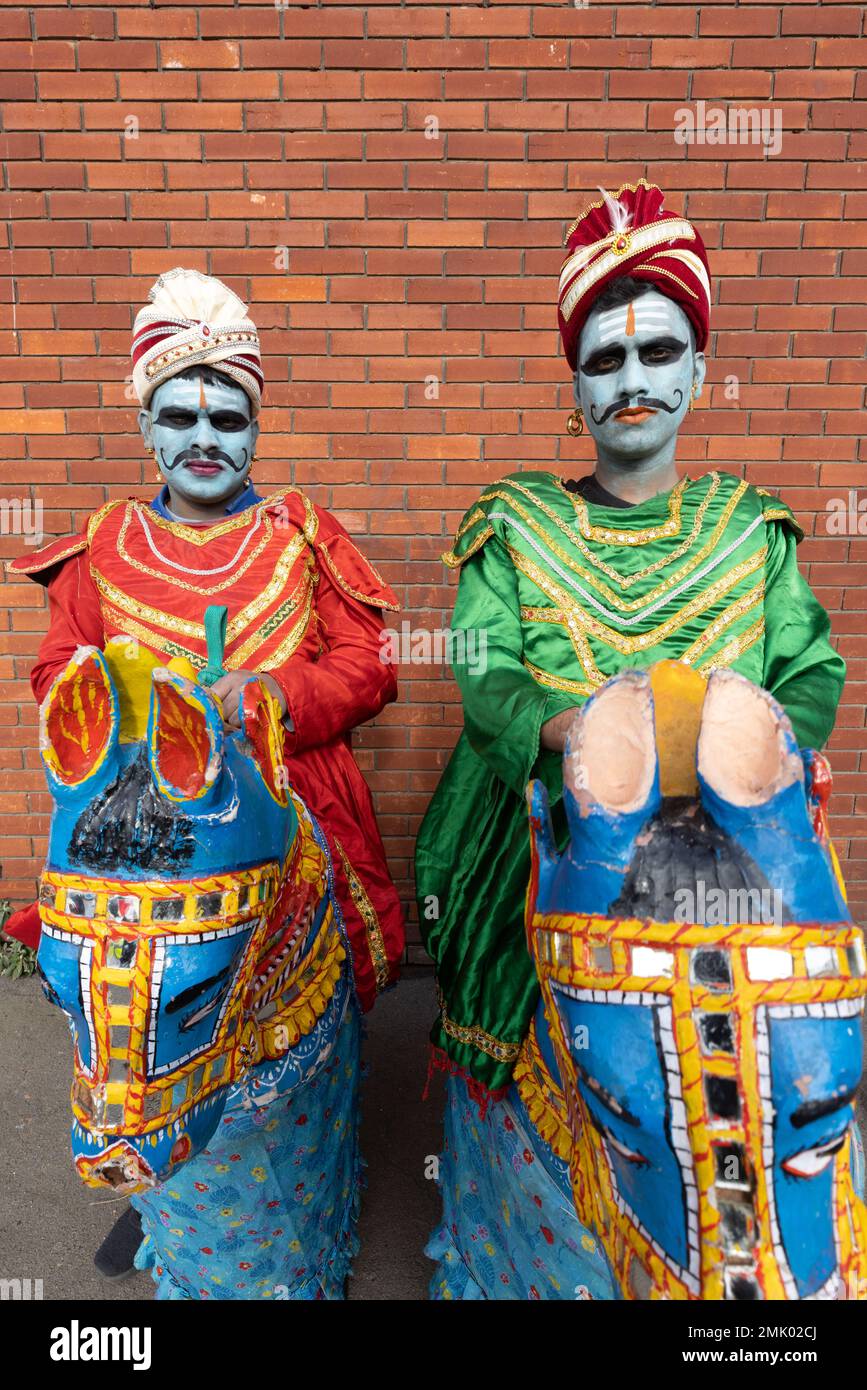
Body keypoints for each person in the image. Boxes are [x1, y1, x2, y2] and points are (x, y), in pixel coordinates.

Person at [7, 267, 405, 1278]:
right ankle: (159, 1191)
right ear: (148, 427)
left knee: (299, 1029)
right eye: (179, 414)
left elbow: (368, 669)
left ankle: (313, 1183)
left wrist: (269, 699)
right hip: (145, 848)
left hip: (289, 815)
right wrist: (136, 696)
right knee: (145, 1019)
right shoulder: (105, 545)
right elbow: (57, 670)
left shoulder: (300, 536)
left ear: (255, 428)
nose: (204, 436)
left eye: (227, 415)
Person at [415, 179, 846, 1112]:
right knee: (559, 1107)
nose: (633, 381)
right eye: (604, 360)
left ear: (698, 369)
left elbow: (809, 672)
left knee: (737, 1097)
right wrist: (574, 730)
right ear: (576, 384)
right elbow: (484, 674)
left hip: (730, 840)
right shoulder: (513, 520)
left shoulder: (750, 526)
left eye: (659, 352)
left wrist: (751, 738)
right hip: (552, 837)